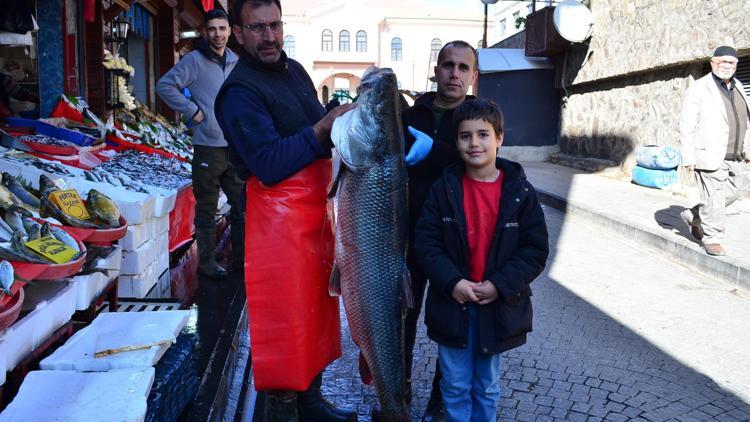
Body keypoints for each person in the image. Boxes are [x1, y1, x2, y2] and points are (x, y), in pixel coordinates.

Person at [214, 0, 356, 421]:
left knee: (316, 315)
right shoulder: (238, 92)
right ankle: (283, 412)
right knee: (286, 328)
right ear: (238, 34)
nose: (270, 36)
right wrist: (323, 128)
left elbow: (321, 126)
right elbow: (269, 162)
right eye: (258, 28)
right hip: (277, 223)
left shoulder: (293, 71)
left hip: (315, 213)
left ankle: (312, 404)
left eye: (275, 25)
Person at [414, 99, 549, 422]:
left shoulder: (521, 192)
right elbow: (426, 242)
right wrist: (453, 282)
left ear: (499, 138)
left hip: (496, 306)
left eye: (483, 134)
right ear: (456, 141)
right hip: (453, 304)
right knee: (455, 384)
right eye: (465, 136)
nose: (474, 143)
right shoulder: (443, 189)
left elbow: (534, 250)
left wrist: (499, 285)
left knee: (486, 385)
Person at [400, 40, 477, 420]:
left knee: (451, 325)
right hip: (408, 235)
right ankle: (396, 394)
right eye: (448, 65)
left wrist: (437, 151)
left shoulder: (478, 119)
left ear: (473, 76)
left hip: (455, 241)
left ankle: (441, 402)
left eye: (464, 68)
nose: (455, 74)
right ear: (436, 70)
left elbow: (479, 164)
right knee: (402, 317)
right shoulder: (412, 115)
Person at [156, 9, 245, 279]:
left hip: (235, 147)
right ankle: (207, 263)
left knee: (242, 207)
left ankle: (241, 263)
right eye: (212, 29)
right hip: (208, 146)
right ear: (205, 32)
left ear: (230, 31)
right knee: (206, 208)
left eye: (222, 28)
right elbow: (165, 85)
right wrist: (192, 110)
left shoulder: (236, 61)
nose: (218, 34)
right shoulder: (194, 60)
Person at [680, 45, 750, 256]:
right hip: (709, 153)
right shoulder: (700, 88)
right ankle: (712, 238)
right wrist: (688, 157)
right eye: (722, 62)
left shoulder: (738, 86)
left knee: (736, 191)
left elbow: (745, 120)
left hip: (736, 154)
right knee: (714, 197)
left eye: (731, 62)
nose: (727, 66)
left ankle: (695, 215)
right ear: (713, 63)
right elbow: (687, 124)